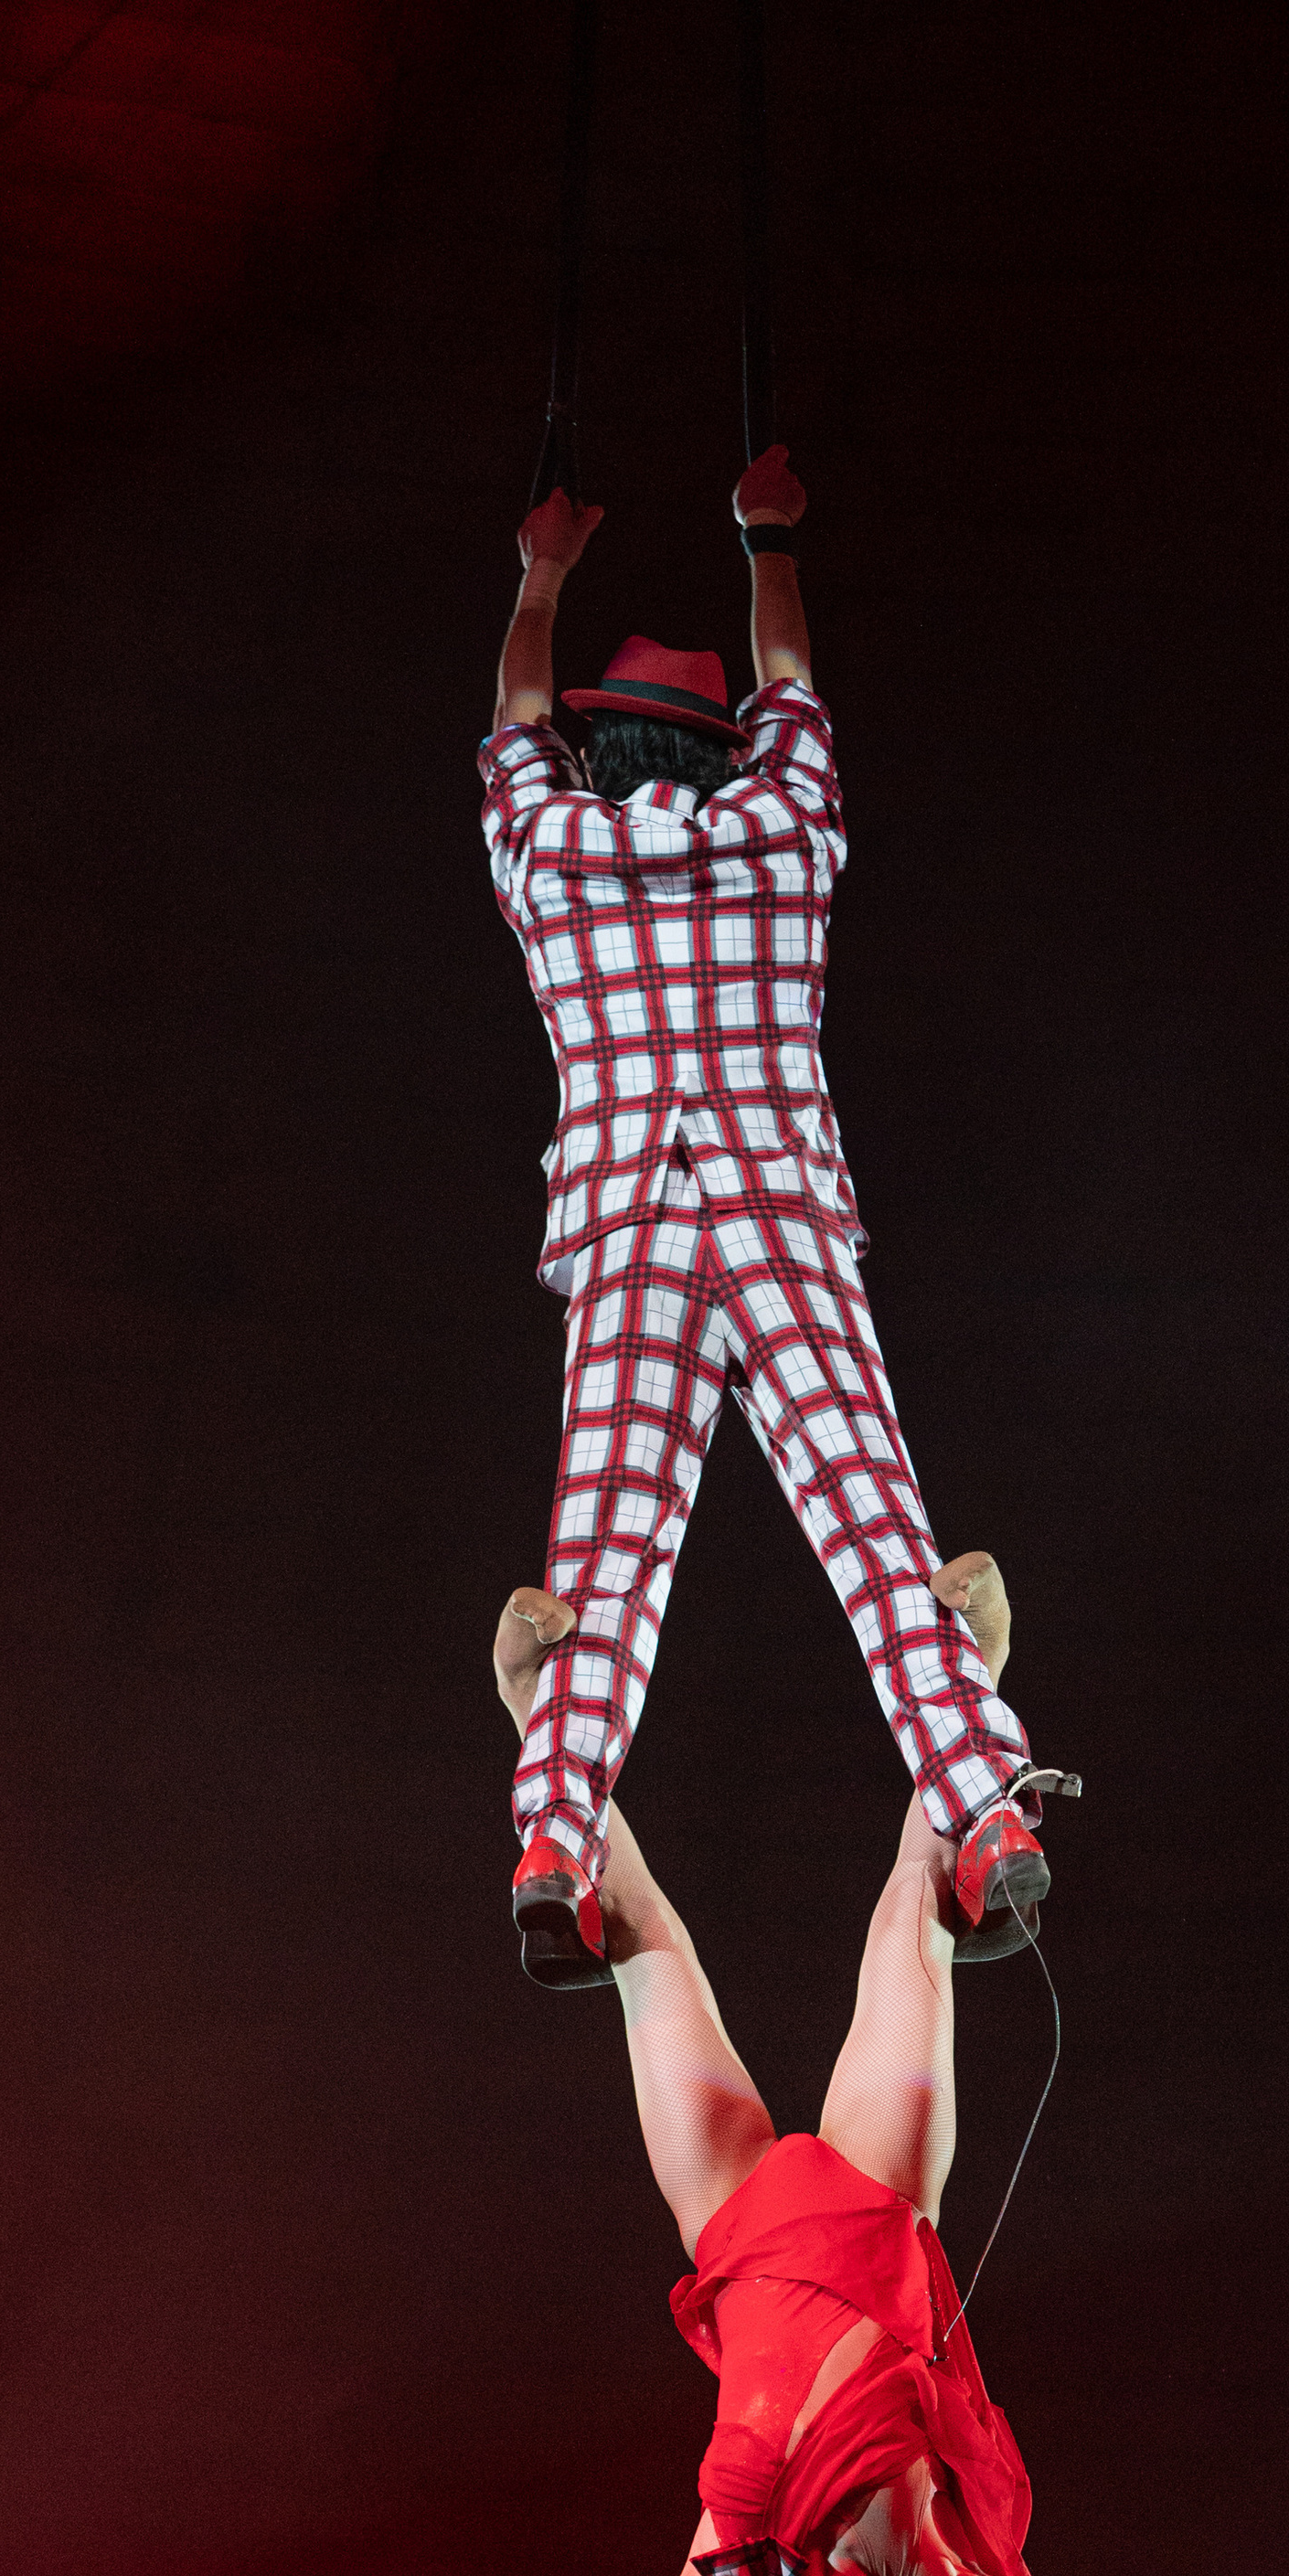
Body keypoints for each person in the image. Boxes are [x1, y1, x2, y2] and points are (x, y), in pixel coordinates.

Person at [325, 1567, 1289, 2576]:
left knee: (639, 1939)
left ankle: (534, 1708)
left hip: (735, 2223)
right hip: (883, 2205)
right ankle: (966, 1680)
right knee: (917, 1910)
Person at [479, 440, 1066, 1991]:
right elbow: (793, 684)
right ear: (717, 750)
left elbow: (514, 728)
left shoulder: (552, 855)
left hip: (630, 1236)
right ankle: (987, 1817)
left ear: (608, 752)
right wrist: (769, 537)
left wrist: (541, 575)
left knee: (605, 1564)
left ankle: (555, 1845)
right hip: (779, 1214)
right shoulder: (783, 833)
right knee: (875, 1529)